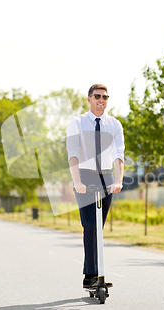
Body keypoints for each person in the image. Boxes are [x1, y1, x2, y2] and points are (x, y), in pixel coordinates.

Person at [66, 84, 124, 289]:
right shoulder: (78, 123)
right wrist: (77, 181)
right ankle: (90, 275)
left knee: (98, 227)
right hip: (84, 176)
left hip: (106, 177)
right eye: (97, 96)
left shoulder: (115, 125)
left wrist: (118, 180)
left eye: (105, 97)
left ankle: (96, 273)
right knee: (90, 224)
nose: (102, 100)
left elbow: (119, 154)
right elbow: (72, 153)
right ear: (89, 99)